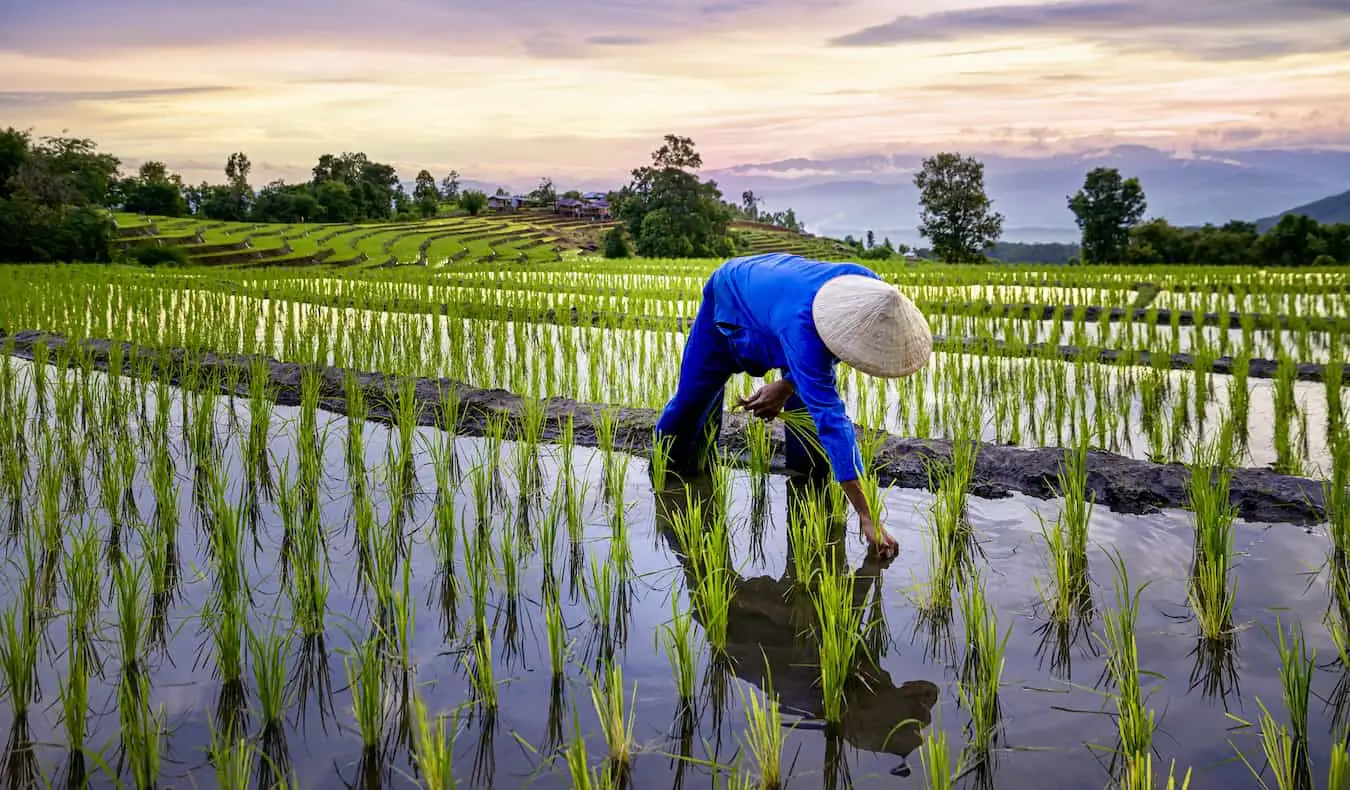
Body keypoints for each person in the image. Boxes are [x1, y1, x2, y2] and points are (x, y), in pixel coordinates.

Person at [653, 252, 932, 558]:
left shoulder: (869, 290)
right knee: (691, 405)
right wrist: (869, 516)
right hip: (731, 297)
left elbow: (825, 354)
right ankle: (670, 475)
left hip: (782, 306)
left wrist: (786, 386)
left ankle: (809, 481)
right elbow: (833, 422)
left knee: (807, 424)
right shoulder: (802, 329)